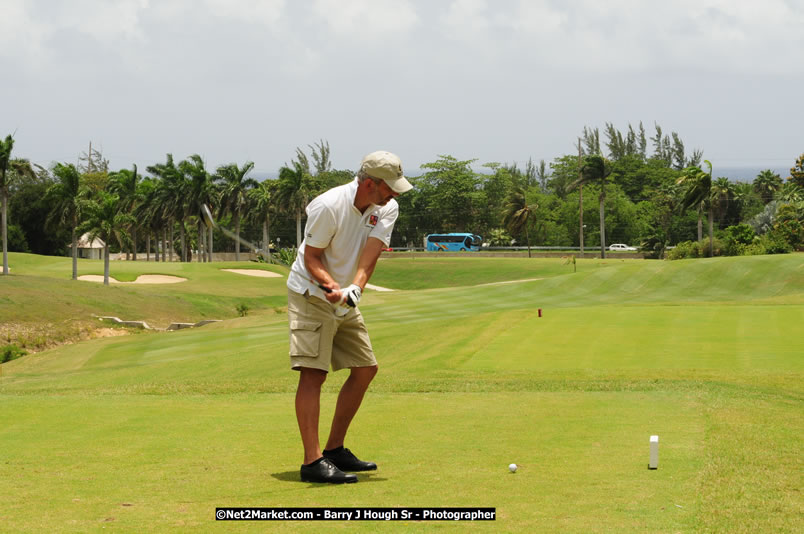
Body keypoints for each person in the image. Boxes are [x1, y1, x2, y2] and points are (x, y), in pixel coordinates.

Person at [286, 150, 412, 483]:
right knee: (314, 374)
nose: (395, 194)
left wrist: (354, 288)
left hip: (344, 299)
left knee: (365, 368)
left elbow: (370, 253)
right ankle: (312, 461)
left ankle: (334, 450)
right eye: (389, 187)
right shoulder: (328, 206)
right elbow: (312, 257)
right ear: (370, 183)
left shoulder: (387, 207)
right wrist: (330, 286)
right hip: (310, 294)